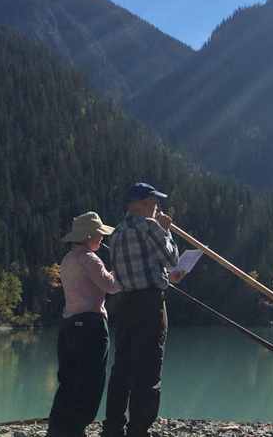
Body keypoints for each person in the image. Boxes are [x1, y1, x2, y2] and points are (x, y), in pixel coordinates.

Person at [102, 182, 185, 437]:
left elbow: (136, 268)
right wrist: (166, 230)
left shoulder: (116, 233)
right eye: (153, 201)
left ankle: (113, 426)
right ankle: (138, 429)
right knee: (148, 367)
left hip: (126, 303)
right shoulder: (150, 227)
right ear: (143, 202)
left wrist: (164, 276)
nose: (156, 206)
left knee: (123, 367)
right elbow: (172, 259)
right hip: (150, 304)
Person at [48, 211, 120, 437]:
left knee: (68, 378)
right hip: (91, 324)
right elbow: (111, 286)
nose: (101, 239)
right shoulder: (89, 258)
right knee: (90, 379)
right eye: (98, 235)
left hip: (68, 325)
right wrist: (121, 269)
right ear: (88, 235)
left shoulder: (68, 259)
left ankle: (58, 429)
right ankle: (76, 429)